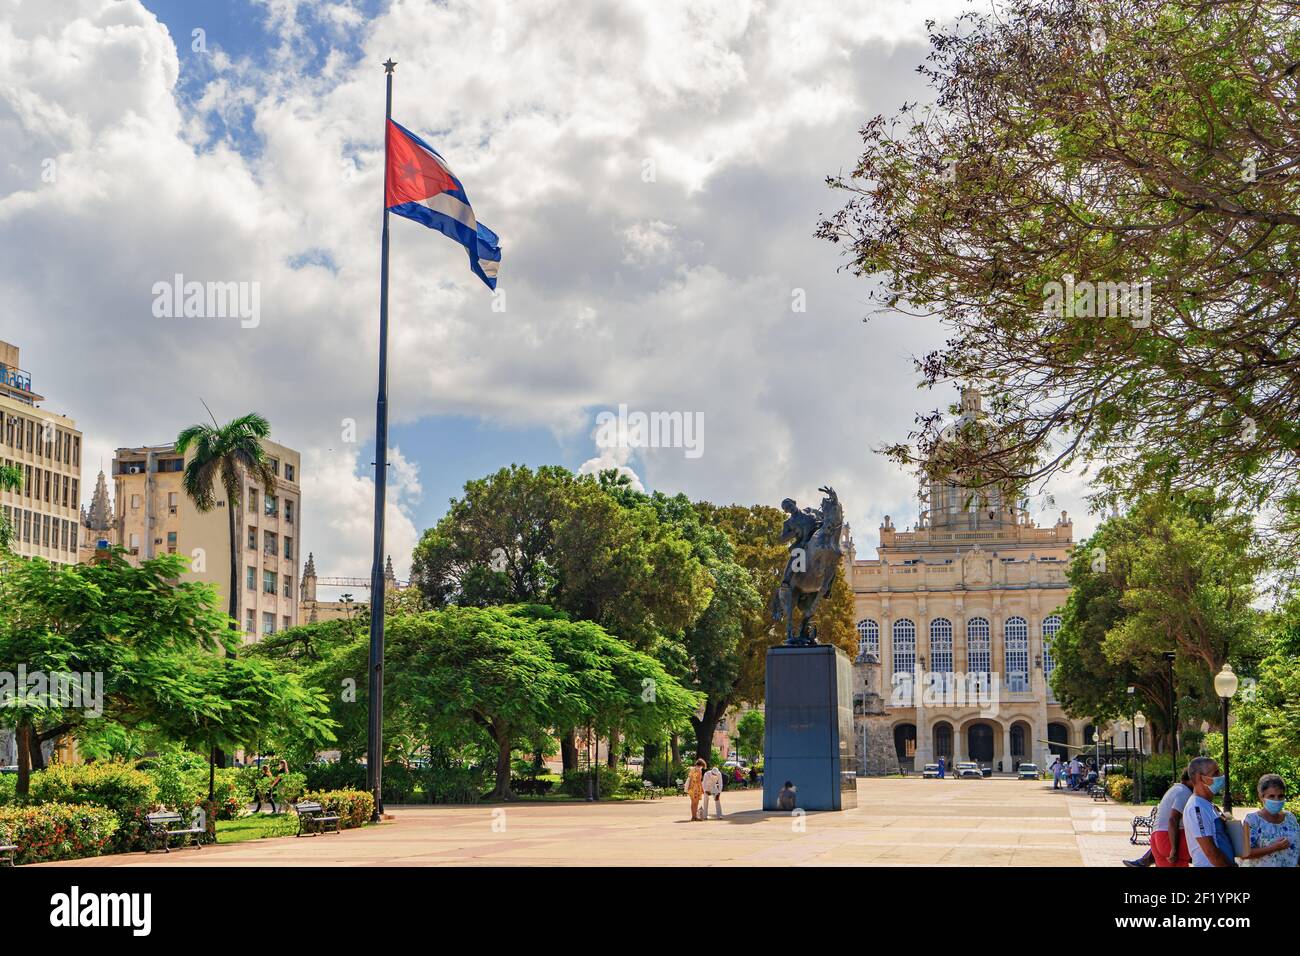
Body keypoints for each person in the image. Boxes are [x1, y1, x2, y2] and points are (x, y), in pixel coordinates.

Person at [1127, 771, 1193, 868]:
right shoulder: (1184, 792)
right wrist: (1174, 849)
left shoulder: (1175, 789)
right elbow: (1173, 820)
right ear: (1191, 779)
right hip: (1169, 838)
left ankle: (1143, 861)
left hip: (1157, 837)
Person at [1184, 756, 1235, 867]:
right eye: (1215, 773)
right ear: (1199, 778)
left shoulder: (1207, 804)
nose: (1220, 776)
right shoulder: (1196, 807)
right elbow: (1211, 853)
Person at [1239, 774, 1299, 867]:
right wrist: (1273, 848)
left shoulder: (1290, 818)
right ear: (1261, 797)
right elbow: (1244, 854)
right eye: (1271, 796)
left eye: (1280, 796)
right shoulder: (1252, 820)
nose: (1277, 800)